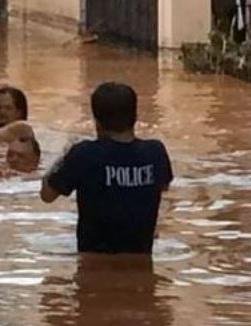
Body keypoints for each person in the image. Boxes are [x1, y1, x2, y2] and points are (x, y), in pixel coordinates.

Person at [40, 82, 173, 255]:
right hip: (141, 260)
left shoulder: (84, 153)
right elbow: (164, 186)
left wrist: (63, 156)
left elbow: (47, 195)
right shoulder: (155, 151)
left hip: (92, 265)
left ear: (97, 121)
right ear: (135, 116)